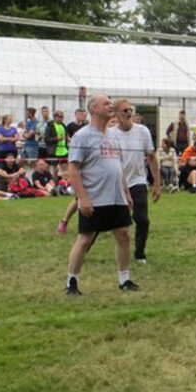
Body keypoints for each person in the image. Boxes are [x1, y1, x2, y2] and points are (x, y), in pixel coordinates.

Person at [64, 94, 136, 296]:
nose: (110, 106)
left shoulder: (113, 135)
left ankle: (124, 279)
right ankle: (72, 282)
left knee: (124, 235)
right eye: (106, 103)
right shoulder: (82, 136)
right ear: (94, 109)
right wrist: (83, 198)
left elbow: (118, 166)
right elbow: (73, 169)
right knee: (85, 239)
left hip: (116, 197)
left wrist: (126, 192)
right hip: (95, 197)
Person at [112, 99, 160, 265]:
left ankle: (139, 253)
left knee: (142, 219)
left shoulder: (143, 131)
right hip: (116, 183)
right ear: (116, 114)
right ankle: (84, 246)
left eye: (130, 110)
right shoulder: (110, 133)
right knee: (105, 220)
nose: (128, 113)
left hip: (138, 181)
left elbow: (152, 158)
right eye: (124, 110)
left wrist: (157, 184)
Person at [43, 110, 69, 176]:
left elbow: (65, 136)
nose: (61, 118)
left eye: (62, 117)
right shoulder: (50, 125)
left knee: (65, 170)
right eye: (60, 116)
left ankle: (64, 184)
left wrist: (67, 139)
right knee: (53, 172)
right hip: (54, 152)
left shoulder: (63, 125)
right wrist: (56, 139)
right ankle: (53, 185)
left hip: (64, 151)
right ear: (55, 117)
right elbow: (46, 139)